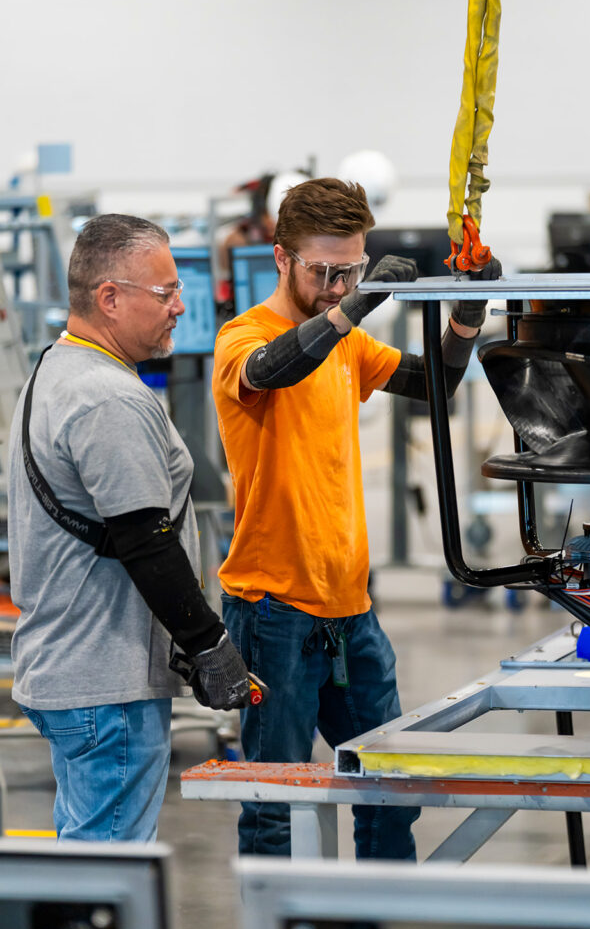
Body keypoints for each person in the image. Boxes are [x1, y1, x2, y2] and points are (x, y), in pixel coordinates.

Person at [212, 177, 502, 859]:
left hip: (349, 609)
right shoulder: (243, 336)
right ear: (281, 258)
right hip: (274, 610)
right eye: (325, 271)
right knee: (274, 800)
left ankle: (371, 925)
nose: (339, 286)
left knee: (386, 786)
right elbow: (270, 370)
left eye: (352, 271)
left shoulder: (343, 341)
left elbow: (434, 383)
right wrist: (355, 308)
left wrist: (466, 315)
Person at [8, 213, 253, 842]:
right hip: (104, 682)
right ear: (109, 298)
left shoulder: (59, 369)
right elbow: (146, 540)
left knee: (85, 862)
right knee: (106, 875)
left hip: (75, 668)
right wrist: (207, 643)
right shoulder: (107, 399)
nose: (180, 307)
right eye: (165, 292)